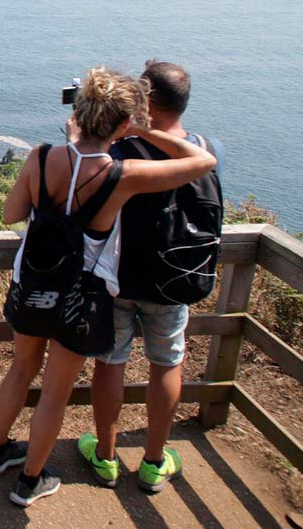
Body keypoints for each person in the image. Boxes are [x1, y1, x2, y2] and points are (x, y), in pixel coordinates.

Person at [0, 67, 216, 508]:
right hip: (80, 299)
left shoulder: (41, 156)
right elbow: (203, 162)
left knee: (20, 370)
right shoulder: (122, 175)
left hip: (32, 285)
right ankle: (29, 482)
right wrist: (144, 130)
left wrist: (71, 145)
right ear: (122, 122)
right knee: (55, 394)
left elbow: (11, 214)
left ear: (80, 111)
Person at [79, 61, 225, 493]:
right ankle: (154, 461)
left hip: (119, 278)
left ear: (144, 99)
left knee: (110, 363)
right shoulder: (206, 148)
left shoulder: (119, 151)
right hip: (174, 280)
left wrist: (125, 130)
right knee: (167, 363)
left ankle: (105, 457)